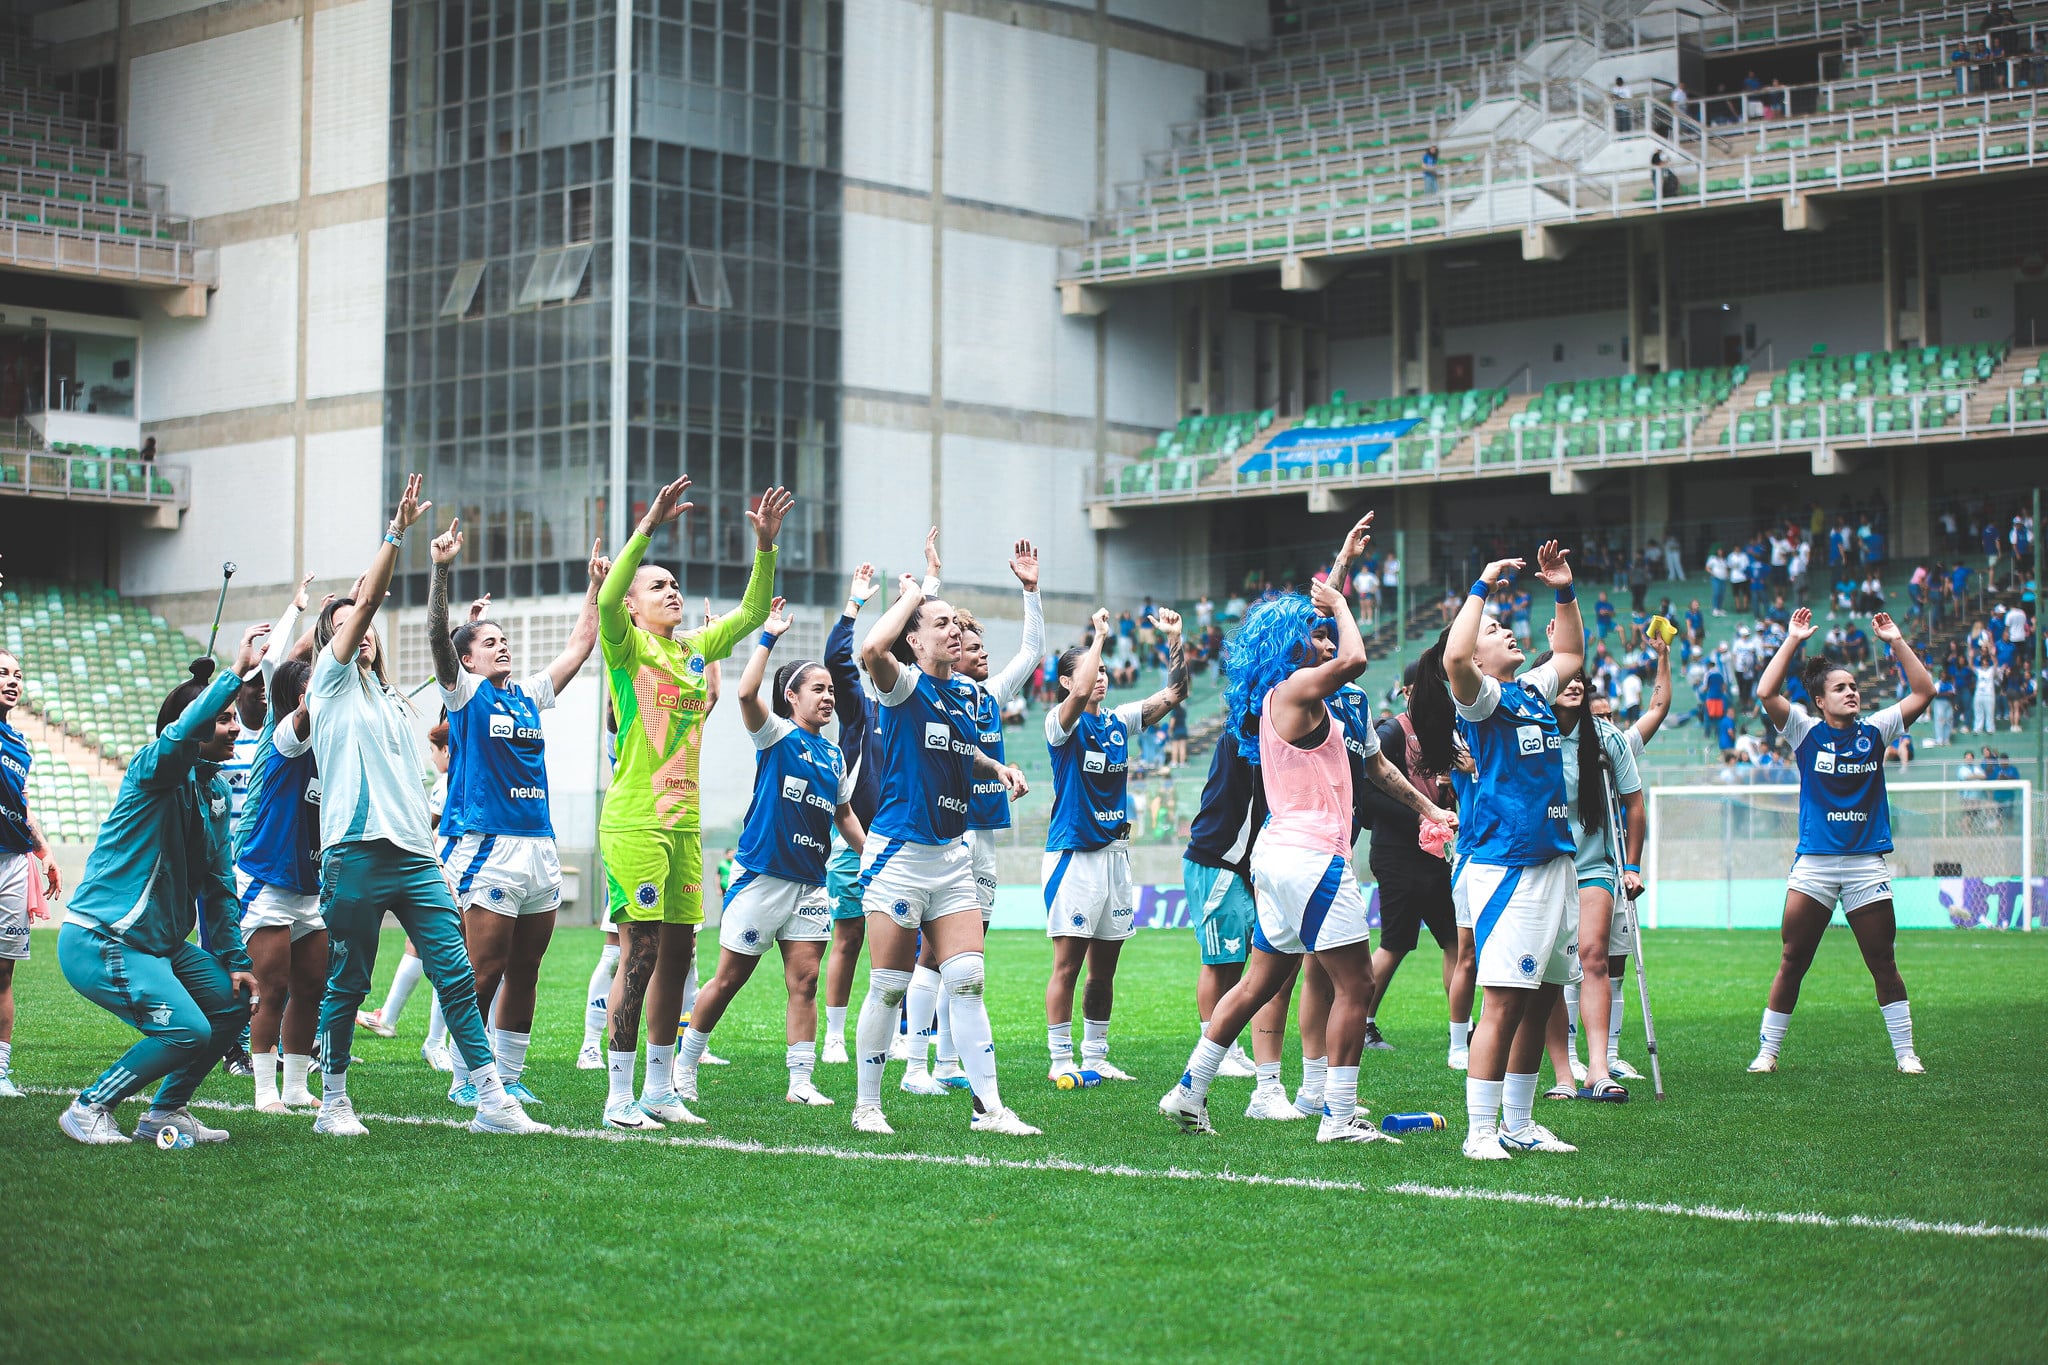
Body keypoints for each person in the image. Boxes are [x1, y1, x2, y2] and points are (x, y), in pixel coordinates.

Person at [1161, 515, 1454, 1145]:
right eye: (1313, 635)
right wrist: (1343, 604)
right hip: (1313, 858)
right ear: (1292, 647)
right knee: (1357, 984)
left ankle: (1189, 1089)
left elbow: (1377, 767)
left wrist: (1430, 812)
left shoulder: (1291, 694)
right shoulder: (1295, 690)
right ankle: (1338, 1116)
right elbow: (1353, 656)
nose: (1325, 640)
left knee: (1260, 981)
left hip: (1281, 857)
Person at [307, 475, 543, 1137]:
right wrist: (397, 534)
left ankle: (491, 1099)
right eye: (345, 627)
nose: (361, 631)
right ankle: (332, 1102)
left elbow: (445, 661)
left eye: (363, 627)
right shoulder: (329, 683)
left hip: (415, 856)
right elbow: (369, 599)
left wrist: (462, 617)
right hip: (354, 853)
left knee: (457, 973)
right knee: (348, 983)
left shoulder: (387, 699)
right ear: (330, 642)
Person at [595, 478, 786, 1131]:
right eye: (658, 585)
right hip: (635, 821)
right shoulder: (626, 646)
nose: (672, 591)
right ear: (633, 604)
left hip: (684, 827)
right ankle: (617, 1097)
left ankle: (660, 1089)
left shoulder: (692, 650)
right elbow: (608, 593)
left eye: (675, 584)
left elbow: (753, 613)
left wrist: (766, 547)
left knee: (677, 957)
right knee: (641, 952)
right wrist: (648, 525)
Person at [55, 625, 270, 1144]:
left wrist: (236, 960)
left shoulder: (216, 793)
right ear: (192, 724)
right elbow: (176, 740)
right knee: (186, 1030)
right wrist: (235, 673)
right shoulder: (153, 768)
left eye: (235, 718)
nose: (235, 728)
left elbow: (219, 887)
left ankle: (164, 1113)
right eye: (223, 718)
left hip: (160, 946)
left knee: (232, 1003)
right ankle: (89, 1107)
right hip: (105, 939)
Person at [850, 569, 1036, 1137]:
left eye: (956, 622)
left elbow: (959, 748)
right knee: (889, 984)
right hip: (898, 855)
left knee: (969, 979)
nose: (954, 630)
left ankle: (989, 1109)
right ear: (914, 639)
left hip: (952, 855)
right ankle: (867, 1106)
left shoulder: (967, 694)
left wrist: (995, 766)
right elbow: (871, 648)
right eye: (940, 623)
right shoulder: (902, 686)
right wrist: (915, 592)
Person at [1415, 540, 1585, 1160]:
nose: (1506, 631)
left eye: (1503, 625)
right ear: (1476, 658)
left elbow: (1571, 652)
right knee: (1505, 1001)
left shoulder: (1533, 691)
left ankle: (1519, 1123)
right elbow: (1454, 655)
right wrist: (1481, 585)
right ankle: (1480, 1131)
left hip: (1554, 860)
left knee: (1541, 999)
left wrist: (1563, 590)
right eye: (1493, 629)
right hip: (1508, 867)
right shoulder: (1481, 699)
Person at [428, 522, 607, 1109]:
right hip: (487, 846)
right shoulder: (464, 694)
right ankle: (465, 1076)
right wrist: (442, 572)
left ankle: (508, 1074)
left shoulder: (526, 695)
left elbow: (580, 646)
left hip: (539, 845)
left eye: (504, 640)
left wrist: (593, 588)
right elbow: (437, 637)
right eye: (489, 642)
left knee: (526, 967)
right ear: (465, 660)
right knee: (484, 968)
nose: (502, 646)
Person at [675, 598, 864, 1110]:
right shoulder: (776, 735)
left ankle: (801, 1081)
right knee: (729, 979)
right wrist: (768, 637)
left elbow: (844, 815)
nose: (828, 697)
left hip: (810, 883)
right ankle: (684, 1066)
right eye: (818, 689)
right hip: (762, 876)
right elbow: (743, 693)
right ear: (791, 696)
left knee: (805, 982)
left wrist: (872, 859)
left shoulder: (834, 755)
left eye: (831, 690)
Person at [1749, 608, 1934, 1075]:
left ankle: (1906, 1054)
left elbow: (1924, 692)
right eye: (1840, 688)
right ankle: (1768, 1053)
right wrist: (1793, 639)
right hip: (1814, 864)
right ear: (1819, 701)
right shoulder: (1804, 732)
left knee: (1883, 962)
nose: (1851, 692)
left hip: (1865, 865)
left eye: (1853, 687)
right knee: (1792, 959)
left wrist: (1896, 641)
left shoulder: (1877, 730)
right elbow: (1766, 691)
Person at [901, 535, 1043, 1094]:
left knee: (964, 957)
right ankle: (917, 1065)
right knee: (932, 956)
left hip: (985, 836)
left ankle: (945, 1063)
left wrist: (1030, 590)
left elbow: (1031, 653)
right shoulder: (932, 692)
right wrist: (928, 583)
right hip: (945, 833)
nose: (980, 652)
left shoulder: (987, 697)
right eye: (970, 644)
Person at [1042, 605, 1187, 1087]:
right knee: (1068, 965)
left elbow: (1175, 693)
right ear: (1067, 682)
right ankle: (1060, 1059)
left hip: (1115, 857)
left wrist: (1174, 640)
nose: (1099, 676)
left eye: (1104, 670)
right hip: (1073, 856)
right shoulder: (1060, 723)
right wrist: (1100, 637)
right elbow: (1081, 693)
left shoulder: (1119, 722)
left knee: (1104, 969)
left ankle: (1097, 1055)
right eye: (1091, 670)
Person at [1537, 665, 1644, 1102]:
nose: (1575, 684)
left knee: (1593, 956)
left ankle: (1598, 1068)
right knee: (1550, 970)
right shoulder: (1529, 731)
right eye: (1565, 678)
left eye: (1580, 678)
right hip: (1543, 864)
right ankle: (1563, 1072)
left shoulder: (1606, 738)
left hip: (1593, 863)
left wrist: (1632, 866)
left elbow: (1633, 804)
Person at [1359, 662, 1464, 1068]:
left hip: (1438, 856)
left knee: (1456, 942)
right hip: (1397, 854)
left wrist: (1450, 793)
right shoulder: (1392, 733)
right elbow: (1368, 795)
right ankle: (1362, 1023)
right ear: (1406, 693)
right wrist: (1420, 817)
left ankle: (1461, 1026)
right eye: (1425, 686)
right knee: (1395, 943)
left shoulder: (1447, 735)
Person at [819, 563, 886, 1065]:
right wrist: (853, 606)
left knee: (897, 943)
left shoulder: (914, 706)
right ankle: (835, 1036)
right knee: (849, 936)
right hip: (853, 840)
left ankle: (899, 1033)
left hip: (903, 840)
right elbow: (834, 659)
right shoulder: (861, 708)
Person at [0, 647, 60, 1100]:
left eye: (18, 675)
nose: (12, 681)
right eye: (2, 673)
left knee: (3, 973)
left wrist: (44, 849)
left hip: (13, 863)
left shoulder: (19, 745)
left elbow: (19, 804)